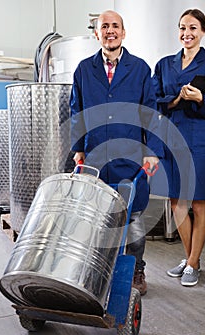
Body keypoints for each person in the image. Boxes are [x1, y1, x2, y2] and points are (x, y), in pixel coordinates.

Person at [69, 10, 163, 295]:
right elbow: (77, 112)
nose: (110, 31)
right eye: (104, 27)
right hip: (96, 155)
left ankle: (136, 270)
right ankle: (99, 270)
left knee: (132, 218)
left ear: (123, 32)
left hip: (130, 155)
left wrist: (153, 151)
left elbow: (151, 112)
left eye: (115, 26)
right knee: (98, 218)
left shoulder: (140, 68)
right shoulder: (84, 69)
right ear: (96, 34)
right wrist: (78, 149)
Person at [152, 8, 205, 286]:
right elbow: (155, 99)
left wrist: (198, 99)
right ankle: (190, 259)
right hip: (172, 135)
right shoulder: (164, 64)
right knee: (176, 200)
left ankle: (193, 263)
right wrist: (175, 100)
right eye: (183, 27)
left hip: (198, 138)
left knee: (198, 201)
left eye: (193, 28)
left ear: (203, 32)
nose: (187, 33)